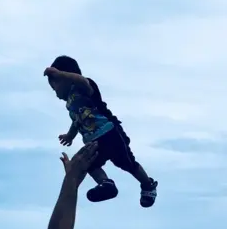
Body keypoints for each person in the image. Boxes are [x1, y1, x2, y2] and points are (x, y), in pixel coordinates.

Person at [44, 55, 158, 208]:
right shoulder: (70, 104)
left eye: (55, 87)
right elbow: (77, 121)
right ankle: (106, 184)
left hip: (110, 133)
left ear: (66, 79)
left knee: (127, 163)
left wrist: (59, 73)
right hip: (94, 141)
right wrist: (70, 136)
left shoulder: (84, 87)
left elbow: (82, 80)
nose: (56, 94)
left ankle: (147, 184)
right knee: (89, 164)